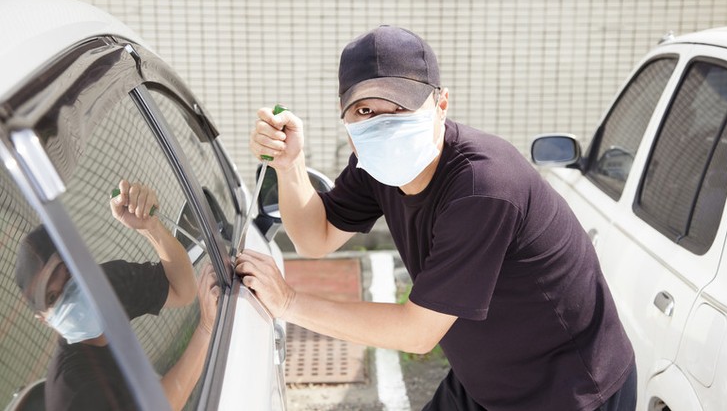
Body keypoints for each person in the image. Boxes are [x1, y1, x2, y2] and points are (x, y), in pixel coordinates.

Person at [238, 25, 636, 410]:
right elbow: (316, 237)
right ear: (346, 118)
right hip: (485, 379)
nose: (384, 123)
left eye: (400, 105)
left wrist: (288, 301)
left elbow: (417, 332)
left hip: (567, 391)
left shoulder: (484, 188)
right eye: (365, 109)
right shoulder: (373, 166)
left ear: (441, 104)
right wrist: (289, 166)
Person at [15, 180, 218, 411]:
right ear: (44, 320)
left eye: (69, 271)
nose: (69, 292)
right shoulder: (72, 393)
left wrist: (150, 227)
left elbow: (182, 291)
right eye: (52, 297)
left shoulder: (108, 287)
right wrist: (206, 330)